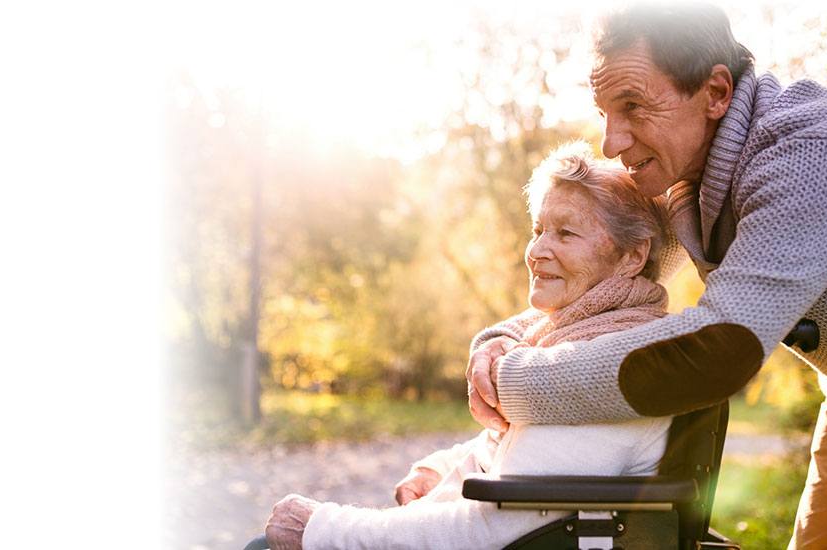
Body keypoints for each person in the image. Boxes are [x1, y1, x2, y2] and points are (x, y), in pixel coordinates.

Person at [463, 3, 827, 548]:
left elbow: (718, 349)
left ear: (715, 93)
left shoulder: (809, 155)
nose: (612, 142)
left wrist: (515, 382)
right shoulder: (686, 166)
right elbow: (610, 273)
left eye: (633, 106)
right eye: (605, 112)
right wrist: (502, 340)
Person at [263, 143, 678, 549]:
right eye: (538, 231)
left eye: (565, 233)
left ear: (632, 256)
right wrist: (444, 469)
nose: (536, 251)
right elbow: (528, 456)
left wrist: (322, 529)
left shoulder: (611, 363)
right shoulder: (581, 337)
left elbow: (486, 532)